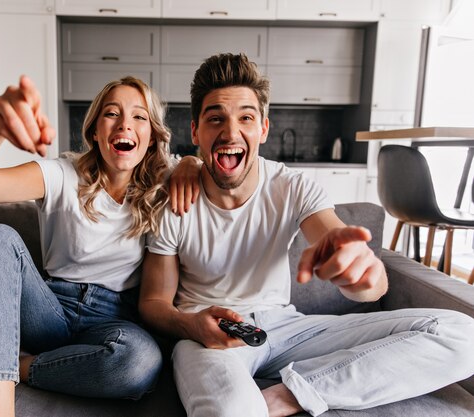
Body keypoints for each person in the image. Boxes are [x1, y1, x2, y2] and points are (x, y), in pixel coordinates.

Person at [139, 53, 474, 417]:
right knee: (232, 410)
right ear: (195, 132)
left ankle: (293, 394)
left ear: (263, 129)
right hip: (212, 335)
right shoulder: (175, 198)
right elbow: (153, 303)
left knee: (462, 335)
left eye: (246, 118)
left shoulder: (291, 187)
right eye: (215, 118)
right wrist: (191, 325)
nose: (231, 132)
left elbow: (358, 269)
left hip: (286, 328)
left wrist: (361, 271)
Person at [0, 75, 200, 417]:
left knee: (140, 363)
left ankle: (14, 364)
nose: (124, 124)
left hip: (114, 321)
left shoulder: (164, 183)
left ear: (151, 138)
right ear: (94, 132)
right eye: (111, 113)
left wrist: (191, 162)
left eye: (139, 117)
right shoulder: (61, 174)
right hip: (47, 312)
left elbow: (209, 174)